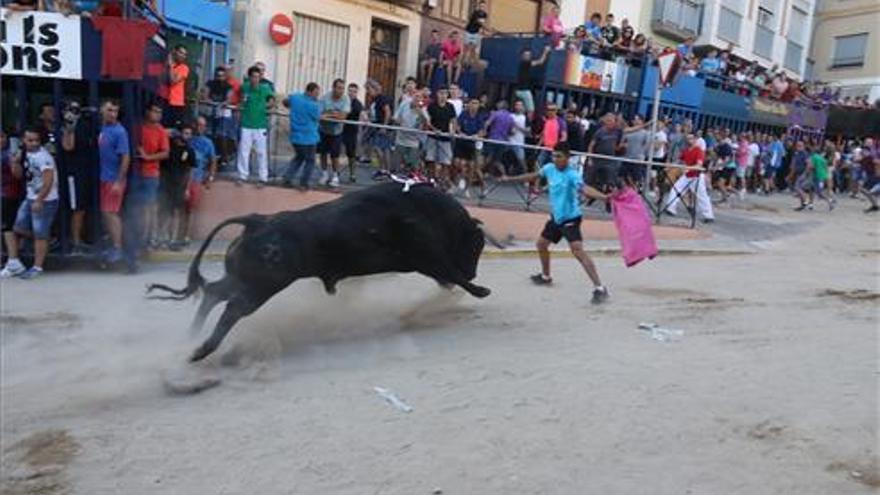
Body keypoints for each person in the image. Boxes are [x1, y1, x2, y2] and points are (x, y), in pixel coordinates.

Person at [498, 143, 610, 304]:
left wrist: (604, 197)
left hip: (571, 218)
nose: (555, 159)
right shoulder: (549, 168)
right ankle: (546, 276)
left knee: (577, 251)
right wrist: (510, 178)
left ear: (567, 158)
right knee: (541, 244)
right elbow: (533, 176)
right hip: (556, 218)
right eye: (554, 156)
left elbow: (584, 189)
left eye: (559, 156)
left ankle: (600, 288)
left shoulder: (572, 175)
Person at [0, 128, 59, 279]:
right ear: (23, 141)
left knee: (39, 233)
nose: (33, 143)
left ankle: (37, 267)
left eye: (36, 140)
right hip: (31, 196)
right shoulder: (26, 154)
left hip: (45, 199)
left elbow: (48, 181)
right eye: (29, 140)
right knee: (18, 227)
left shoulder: (43, 157)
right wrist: (15, 163)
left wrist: (39, 200)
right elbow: (19, 176)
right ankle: (48, 239)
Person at [95, 100, 129, 265]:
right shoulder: (103, 128)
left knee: (110, 212)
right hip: (104, 177)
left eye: (115, 111)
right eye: (109, 110)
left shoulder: (119, 132)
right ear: (102, 110)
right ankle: (114, 244)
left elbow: (125, 157)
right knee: (106, 212)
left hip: (112, 179)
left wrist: (118, 181)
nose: (112, 114)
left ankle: (118, 247)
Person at [60, 100, 96, 254]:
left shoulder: (85, 125)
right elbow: (68, 146)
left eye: (76, 109)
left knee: (84, 207)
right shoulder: (66, 127)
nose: (74, 112)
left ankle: (81, 239)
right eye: (71, 109)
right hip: (73, 174)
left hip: (86, 171)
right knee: (77, 208)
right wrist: (70, 127)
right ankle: (75, 242)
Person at [133, 103, 169, 248]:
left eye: (160, 112)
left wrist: (148, 157)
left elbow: (165, 153)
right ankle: (136, 236)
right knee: (136, 206)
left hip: (151, 174)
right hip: (136, 172)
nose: (158, 115)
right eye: (155, 111)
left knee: (148, 206)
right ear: (148, 112)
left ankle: (146, 238)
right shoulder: (138, 128)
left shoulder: (160, 131)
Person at [236, 65, 275, 186]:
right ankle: (242, 176)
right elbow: (238, 96)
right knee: (244, 151)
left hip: (260, 125)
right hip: (246, 124)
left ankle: (263, 178)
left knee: (261, 152)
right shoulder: (245, 87)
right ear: (249, 77)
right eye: (253, 77)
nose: (256, 79)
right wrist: (239, 105)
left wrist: (266, 106)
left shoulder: (265, 88)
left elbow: (272, 100)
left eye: (258, 77)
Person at [158, 125, 195, 249]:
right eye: (183, 133)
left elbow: (189, 171)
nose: (184, 137)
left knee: (177, 212)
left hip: (180, 186)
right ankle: (161, 237)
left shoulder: (189, 151)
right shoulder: (168, 148)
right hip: (166, 184)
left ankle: (174, 239)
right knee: (164, 211)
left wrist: (187, 188)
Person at [663, 133, 714, 223]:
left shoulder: (699, 151)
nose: (689, 140)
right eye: (688, 138)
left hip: (696, 176)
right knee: (675, 189)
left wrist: (687, 168)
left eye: (691, 138)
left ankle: (708, 215)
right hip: (687, 176)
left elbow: (699, 165)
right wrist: (670, 166)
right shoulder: (686, 150)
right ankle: (671, 208)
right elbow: (679, 160)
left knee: (702, 196)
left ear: (695, 139)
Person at [183, 116, 217, 243]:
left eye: (202, 125)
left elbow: (213, 161)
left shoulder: (208, 143)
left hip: (196, 179)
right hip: (182, 178)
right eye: (198, 124)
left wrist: (210, 177)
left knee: (190, 209)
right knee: (177, 208)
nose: (200, 127)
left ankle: (186, 236)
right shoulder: (187, 137)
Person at [284, 82, 321, 190]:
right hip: (309, 137)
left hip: (295, 136)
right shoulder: (313, 105)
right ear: (309, 92)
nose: (317, 95)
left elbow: (285, 102)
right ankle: (303, 183)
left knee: (299, 157)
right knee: (310, 160)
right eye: (316, 93)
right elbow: (318, 117)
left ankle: (288, 177)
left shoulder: (295, 97)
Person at [317, 79, 351, 188]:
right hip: (323, 130)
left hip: (337, 131)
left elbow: (343, 116)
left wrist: (330, 113)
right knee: (323, 153)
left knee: (335, 155)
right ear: (333, 88)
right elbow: (320, 114)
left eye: (342, 88)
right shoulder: (325, 97)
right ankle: (324, 174)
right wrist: (334, 114)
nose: (341, 90)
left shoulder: (346, 99)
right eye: (339, 88)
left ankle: (336, 176)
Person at [425, 87, 457, 189]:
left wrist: (453, 130)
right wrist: (434, 130)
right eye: (441, 93)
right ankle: (431, 181)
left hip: (445, 138)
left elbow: (453, 120)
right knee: (431, 160)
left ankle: (442, 182)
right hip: (433, 137)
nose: (443, 96)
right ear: (437, 94)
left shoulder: (450, 107)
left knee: (445, 162)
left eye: (445, 93)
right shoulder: (432, 106)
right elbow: (428, 121)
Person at [203, 66, 235, 167]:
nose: (219, 77)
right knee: (211, 134)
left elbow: (229, 98)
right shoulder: (210, 83)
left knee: (222, 135)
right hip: (212, 111)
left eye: (222, 76)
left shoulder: (228, 86)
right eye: (218, 75)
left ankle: (224, 157)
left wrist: (222, 104)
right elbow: (205, 94)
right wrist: (210, 102)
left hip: (224, 113)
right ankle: (211, 156)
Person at [454, 98, 487, 197]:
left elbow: (483, 131)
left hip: (474, 145)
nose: (474, 105)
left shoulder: (480, 117)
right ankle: (461, 180)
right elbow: (457, 125)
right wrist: (460, 133)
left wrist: (476, 136)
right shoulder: (464, 114)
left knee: (473, 168)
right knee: (458, 163)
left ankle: (474, 188)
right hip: (462, 142)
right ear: (468, 104)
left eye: (476, 103)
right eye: (472, 103)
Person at [1, 130, 25, 260]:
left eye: (3, 136)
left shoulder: (8, 154)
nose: (1, 140)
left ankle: (13, 260)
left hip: (8, 195)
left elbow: (18, 175)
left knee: (8, 229)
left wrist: (15, 162)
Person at [392, 91, 427, 173]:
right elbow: (395, 117)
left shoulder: (423, 109)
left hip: (414, 140)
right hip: (401, 138)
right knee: (397, 162)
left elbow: (426, 125)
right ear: (412, 97)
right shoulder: (404, 104)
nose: (417, 99)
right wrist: (399, 121)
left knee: (412, 163)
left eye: (420, 97)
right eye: (416, 96)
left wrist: (421, 114)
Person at [586, 113, 621, 190]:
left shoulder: (617, 131)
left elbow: (628, 129)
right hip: (597, 159)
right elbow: (591, 145)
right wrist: (590, 158)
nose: (610, 123)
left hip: (609, 160)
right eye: (608, 121)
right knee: (591, 180)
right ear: (605, 121)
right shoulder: (599, 132)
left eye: (612, 121)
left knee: (610, 181)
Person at [515, 45, 551, 116]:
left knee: (523, 110)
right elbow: (540, 61)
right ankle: (528, 124)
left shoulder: (523, 64)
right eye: (526, 55)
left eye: (529, 55)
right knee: (531, 110)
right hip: (524, 90)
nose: (528, 56)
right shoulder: (525, 63)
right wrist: (545, 52)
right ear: (522, 56)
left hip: (519, 90)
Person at [483, 100, 514, 176]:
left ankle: (479, 171)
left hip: (493, 138)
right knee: (497, 160)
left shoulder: (496, 114)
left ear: (501, 106)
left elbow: (487, 123)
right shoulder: (510, 117)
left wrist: (484, 131)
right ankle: (504, 175)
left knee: (488, 157)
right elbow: (512, 131)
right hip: (503, 141)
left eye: (498, 104)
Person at [620, 115, 651, 186]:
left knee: (635, 179)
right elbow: (622, 142)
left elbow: (647, 145)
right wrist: (623, 145)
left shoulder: (645, 133)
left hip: (637, 159)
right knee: (623, 177)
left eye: (638, 119)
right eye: (635, 119)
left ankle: (635, 192)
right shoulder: (628, 131)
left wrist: (643, 155)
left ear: (642, 121)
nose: (636, 121)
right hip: (626, 158)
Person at [342, 82, 364, 182]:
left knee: (351, 155)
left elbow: (362, 114)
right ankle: (335, 173)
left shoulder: (358, 104)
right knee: (335, 153)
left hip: (351, 132)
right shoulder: (343, 100)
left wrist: (365, 119)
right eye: (350, 91)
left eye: (354, 92)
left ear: (357, 93)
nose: (351, 93)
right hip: (340, 130)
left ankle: (352, 174)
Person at [166, 45, 190, 129]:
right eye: (181, 53)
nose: (183, 56)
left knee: (173, 130)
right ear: (174, 52)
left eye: (185, 54)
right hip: (165, 100)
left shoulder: (184, 68)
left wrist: (171, 66)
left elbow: (172, 81)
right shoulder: (165, 65)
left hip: (176, 104)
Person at [508, 99, 529, 175]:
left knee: (521, 160)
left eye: (520, 105)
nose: (518, 107)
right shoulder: (510, 116)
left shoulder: (525, 118)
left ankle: (526, 177)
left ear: (523, 107)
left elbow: (528, 132)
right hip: (507, 141)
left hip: (518, 142)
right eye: (517, 105)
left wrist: (517, 127)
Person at [859, 138, 879, 213]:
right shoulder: (866, 152)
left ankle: (875, 206)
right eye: (866, 142)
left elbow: (877, 162)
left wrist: (877, 173)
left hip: (873, 174)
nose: (867, 143)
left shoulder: (872, 153)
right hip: (870, 174)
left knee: (863, 189)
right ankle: (874, 205)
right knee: (873, 192)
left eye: (869, 142)